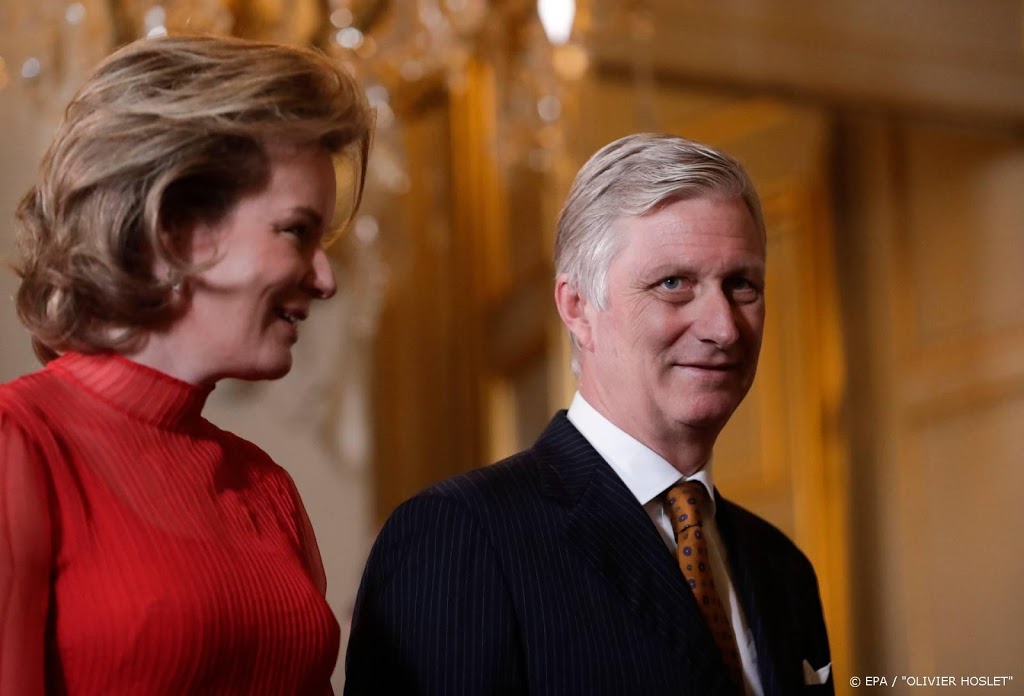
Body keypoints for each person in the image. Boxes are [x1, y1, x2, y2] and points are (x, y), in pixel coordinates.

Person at [345, 133, 833, 695]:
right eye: (674, 283)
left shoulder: (783, 568)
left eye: (741, 285)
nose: (723, 328)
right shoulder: (459, 536)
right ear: (577, 307)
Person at [0, 34, 373, 694]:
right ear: (173, 228)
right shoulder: (19, 444)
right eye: (296, 231)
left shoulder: (267, 489)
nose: (324, 279)